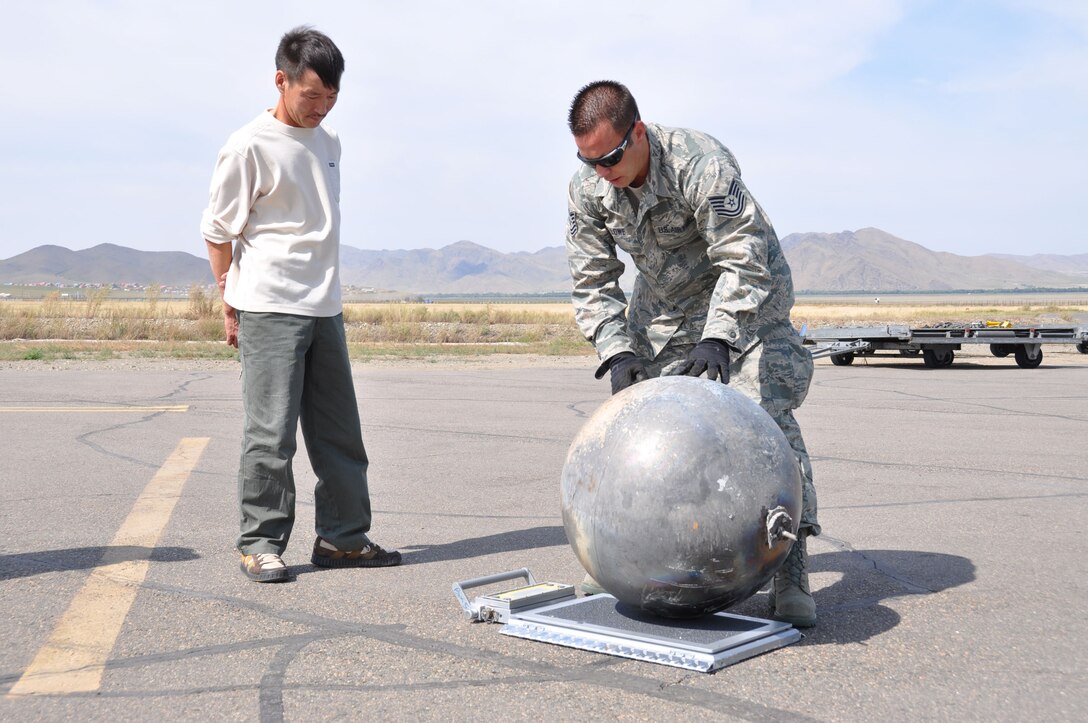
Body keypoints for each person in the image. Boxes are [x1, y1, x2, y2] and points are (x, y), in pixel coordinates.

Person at [564, 80, 819, 626]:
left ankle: (790, 572)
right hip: (664, 312)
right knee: (641, 425)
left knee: (762, 417)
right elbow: (590, 277)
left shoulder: (699, 162)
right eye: (589, 161)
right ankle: (625, 559)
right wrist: (617, 351)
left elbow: (743, 254)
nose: (601, 171)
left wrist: (720, 336)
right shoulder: (588, 187)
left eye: (609, 157)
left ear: (637, 132)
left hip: (749, 305)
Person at [200, 26, 400, 583]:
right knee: (271, 433)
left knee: (340, 434)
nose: (321, 107)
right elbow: (218, 232)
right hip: (268, 306)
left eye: (331, 97)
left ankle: (342, 539)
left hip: (324, 307)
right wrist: (229, 301)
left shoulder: (330, 143)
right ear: (281, 81)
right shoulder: (247, 146)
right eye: (311, 95)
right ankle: (260, 541)